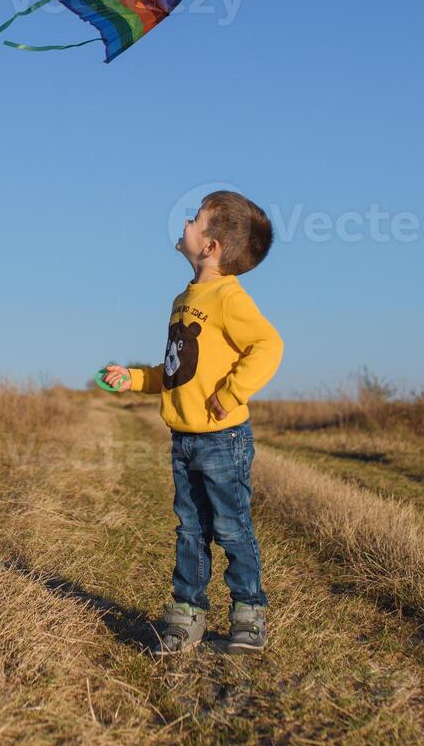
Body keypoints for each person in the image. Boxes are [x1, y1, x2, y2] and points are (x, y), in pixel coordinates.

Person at [100, 190, 284, 654]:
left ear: (211, 246)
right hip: (184, 438)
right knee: (189, 527)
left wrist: (231, 392)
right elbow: (176, 370)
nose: (185, 223)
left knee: (231, 526)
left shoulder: (227, 297)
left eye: (194, 219)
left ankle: (248, 611)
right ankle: (188, 612)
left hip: (223, 439)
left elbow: (268, 345)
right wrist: (135, 379)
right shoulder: (183, 298)